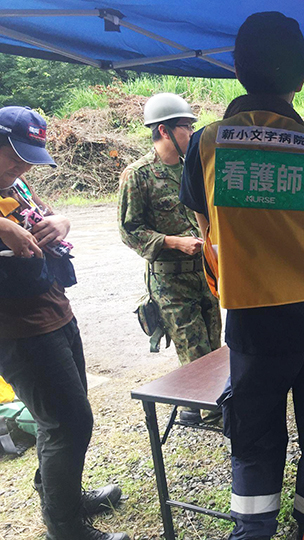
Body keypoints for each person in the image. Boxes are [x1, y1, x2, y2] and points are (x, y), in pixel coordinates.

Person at [179, 12, 304, 540]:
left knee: (255, 433)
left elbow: (207, 231)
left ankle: (253, 531)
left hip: (253, 326)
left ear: (237, 70)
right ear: (301, 77)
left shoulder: (207, 144)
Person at [0, 106, 128, 540]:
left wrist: (62, 220)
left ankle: (61, 495)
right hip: (19, 332)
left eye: (29, 158)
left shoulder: (15, 185)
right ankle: (66, 528)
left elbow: (48, 216)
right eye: (15, 155)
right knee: (68, 423)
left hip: (55, 312)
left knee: (68, 418)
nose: (21, 165)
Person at [118, 93, 222, 425]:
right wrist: (173, 242)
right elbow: (129, 229)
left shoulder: (193, 168)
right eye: (185, 128)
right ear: (164, 131)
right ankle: (211, 412)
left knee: (214, 344)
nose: (192, 135)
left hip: (204, 272)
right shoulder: (139, 175)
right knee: (194, 348)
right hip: (170, 281)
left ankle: (199, 404)